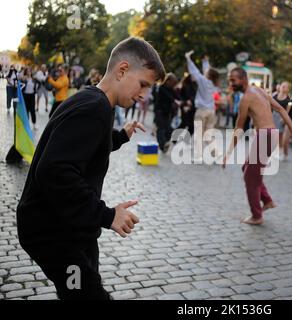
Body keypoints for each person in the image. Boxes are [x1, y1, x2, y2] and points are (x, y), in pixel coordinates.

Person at [16, 37, 166, 300]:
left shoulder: (93, 100)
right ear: (122, 70)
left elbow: (83, 146)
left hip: (71, 226)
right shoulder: (94, 108)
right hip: (51, 230)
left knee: (80, 289)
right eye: (143, 84)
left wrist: (119, 136)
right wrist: (107, 215)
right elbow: (55, 170)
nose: (144, 94)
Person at [223, 68, 292, 225]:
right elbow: (279, 109)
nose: (231, 83)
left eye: (234, 80)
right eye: (230, 80)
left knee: (249, 177)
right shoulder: (258, 90)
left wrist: (228, 153)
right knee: (247, 168)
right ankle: (267, 200)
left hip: (264, 137)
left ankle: (256, 215)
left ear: (244, 79)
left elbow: (239, 129)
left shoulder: (245, 99)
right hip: (270, 135)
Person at [185, 51, 220, 162]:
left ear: (208, 75)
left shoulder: (203, 81)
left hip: (201, 111)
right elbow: (207, 70)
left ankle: (198, 157)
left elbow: (194, 71)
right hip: (211, 111)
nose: (205, 71)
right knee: (208, 135)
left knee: (198, 135)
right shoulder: (214, 84)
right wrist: (205, 61)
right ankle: (217, 154)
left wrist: (188, 58)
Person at [154, 73, 179, 153]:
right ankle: (163, 144)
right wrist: (175, 101)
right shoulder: (162, 87)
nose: (173, 85)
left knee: (168, 128)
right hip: (159, 111)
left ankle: (164, 144)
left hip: (167, 112)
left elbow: (177, 96)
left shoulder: (171, 89)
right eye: (172, 82)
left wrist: (183, 102)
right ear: (168, 81)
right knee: (160, 129)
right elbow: (169, 96)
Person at [272, 81, 291, 161]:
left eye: (285, 86)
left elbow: (287, 110)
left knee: (280, 136)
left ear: (287, 89)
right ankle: (275, 151)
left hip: (281, 117)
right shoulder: (275, 95)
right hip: (274, 116)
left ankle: (281, 152)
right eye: (282, 86)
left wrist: (284, 118)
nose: (283, 87)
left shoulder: (288, 98)